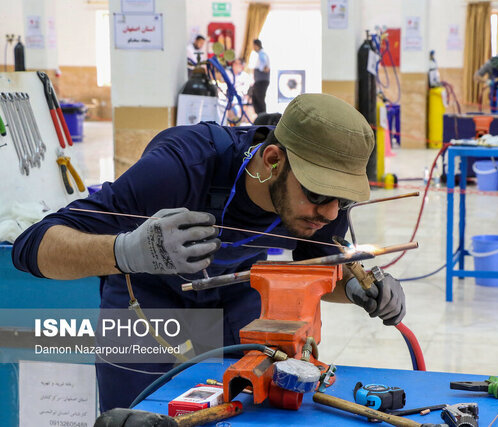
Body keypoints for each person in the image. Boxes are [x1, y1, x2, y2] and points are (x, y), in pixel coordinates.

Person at [12, 93, 407, 411]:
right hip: (147, 300)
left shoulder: (325, 206)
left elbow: (317, 270)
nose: (331, 213)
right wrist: (127, 250)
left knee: (247, 406)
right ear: (272, 160)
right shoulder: (180, 167)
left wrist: (358, 291)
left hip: (236, 294)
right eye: (319, 195)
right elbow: (33, 246)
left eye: (343, 200)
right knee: (137, 415)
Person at [250, 39, 270, 114]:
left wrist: (263, 68)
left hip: (261, 80)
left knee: (259, 98)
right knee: (255, 98)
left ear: (256, 45)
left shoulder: (262, 54)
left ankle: (263, 115)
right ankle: (260, 115)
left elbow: (264, 64)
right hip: (259, 80)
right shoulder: (260, 54)